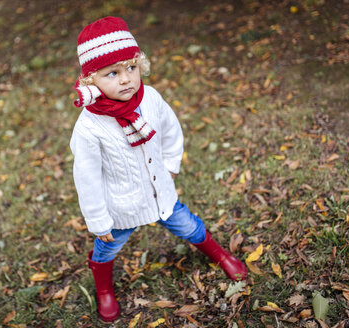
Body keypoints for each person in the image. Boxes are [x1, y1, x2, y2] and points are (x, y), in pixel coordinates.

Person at [70, 16, 247, 322]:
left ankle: (221, 256)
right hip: (120, 206)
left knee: (189, 225)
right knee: (107, 249)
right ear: (91, 81)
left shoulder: (149, 99)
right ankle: (103, 290)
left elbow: (170, 130)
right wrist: (99, 219)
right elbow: (86, 178)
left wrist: (170, 165)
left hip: (160, 193)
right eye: (112, 73)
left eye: (131, 68)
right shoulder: (90, 127)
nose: (126, 79)